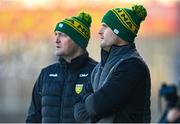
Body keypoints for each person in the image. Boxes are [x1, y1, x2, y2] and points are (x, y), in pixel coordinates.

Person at [74, 5, 151, 123]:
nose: (100, 31)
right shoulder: (97, 69)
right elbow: (77, 106)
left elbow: (97, 106)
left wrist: (87, 100)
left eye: (105, 26)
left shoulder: (133, 66)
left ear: (118, 31)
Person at [26, 12, 97, 123]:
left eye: (63, 35)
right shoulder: (46, 74)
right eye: (56, 34)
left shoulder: (96, 72)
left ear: (78, 40)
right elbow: (33, 117)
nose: (56, 40)